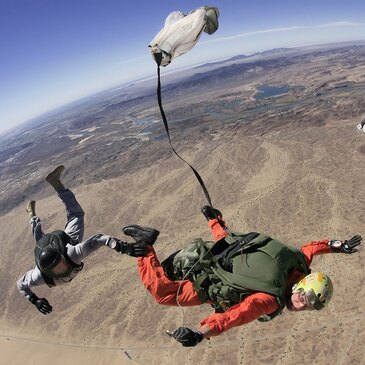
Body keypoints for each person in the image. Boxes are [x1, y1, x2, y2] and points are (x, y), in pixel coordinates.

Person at [122, 206, 362, 347]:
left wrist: (337, 245)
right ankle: (144, 245)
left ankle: (216, 220)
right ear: (302, 285)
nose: (301, 305)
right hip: (210, 278)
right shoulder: (270, 300)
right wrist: (200, 333)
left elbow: (311, 248)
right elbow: (235, 316)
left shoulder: (298, 263)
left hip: (226, 252)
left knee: (230, 248)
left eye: (310, 306)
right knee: (162, 294)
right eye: (306, 297)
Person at [17, 165, 158, 315]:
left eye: (60, 263)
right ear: (47, 271)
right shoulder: (40, 275)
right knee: (42, 238)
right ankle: (32, 214)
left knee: (74, 216)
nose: (62, 268)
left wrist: (123, 247)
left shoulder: (71, 253)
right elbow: (20, 285)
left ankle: (56, 184)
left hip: (65, 242)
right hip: (52, 248)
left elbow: (99, 239)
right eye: (57, 268)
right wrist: (35, 300)